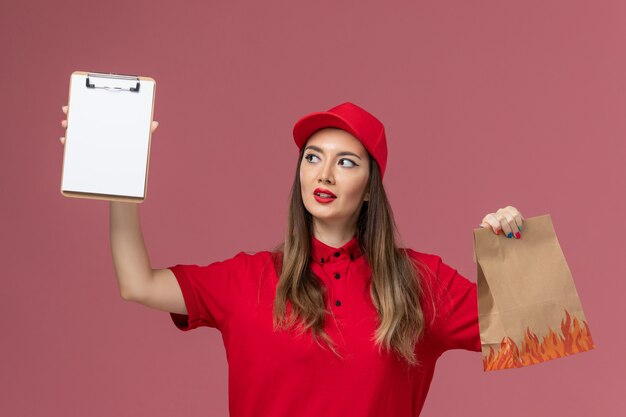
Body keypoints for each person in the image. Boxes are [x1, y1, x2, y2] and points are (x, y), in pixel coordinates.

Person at [59, 102, 524, 417]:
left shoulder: (418, 283)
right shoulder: (247, 279)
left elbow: (533, 330)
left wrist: (514, 249)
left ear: (370, 189)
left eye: (346, 162)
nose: (323, 173)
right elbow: (137, 284)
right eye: (312, 157)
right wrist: (118, 177)